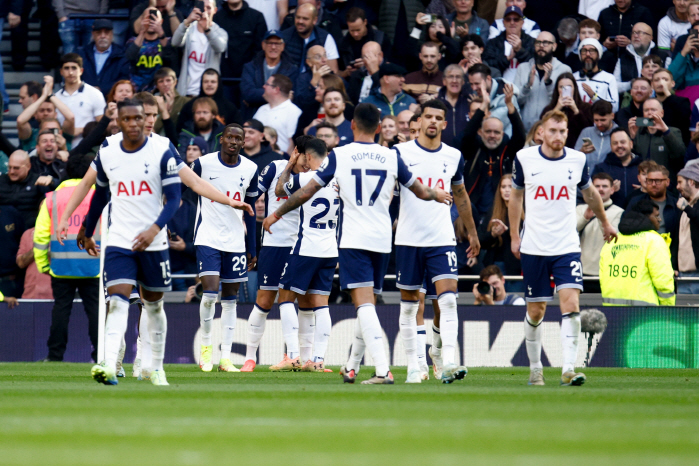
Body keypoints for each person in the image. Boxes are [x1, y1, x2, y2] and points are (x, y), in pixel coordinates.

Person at [262, 103, 452, 385]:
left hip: (353, 239)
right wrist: (438, 194)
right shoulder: (392, 155)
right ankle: (352, 365)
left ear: (351, 125)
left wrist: (276, 213)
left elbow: (308, 190)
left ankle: (382, 370)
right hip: (383, 239)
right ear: (378, 128)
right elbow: (419, 190)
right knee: (368, 304)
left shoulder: (340, 155)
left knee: (363, 305)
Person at [509, 109, 618, 386]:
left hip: (567, 245)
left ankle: (568, 368)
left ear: (567, 133)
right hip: (534, 245)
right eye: (553, 131)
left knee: (571, 304)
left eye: (563, 131)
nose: (558, 136)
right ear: (541, 132)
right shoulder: (524, 158)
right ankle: (535, 369)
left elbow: (589, 193)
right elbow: (515, 199)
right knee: (536, 311)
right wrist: (514, 236)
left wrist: (605, 222)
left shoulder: (577, 159)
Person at [79, 98, 184, 386]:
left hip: (154, 242)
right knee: (117, 301)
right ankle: (110, 364)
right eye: (129, 119)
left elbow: (175, 199)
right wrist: (88, 230)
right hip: (120, 240)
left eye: (140, 118)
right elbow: (100, 195)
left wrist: (154, 228)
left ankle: (157, 366)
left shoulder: (163, 150)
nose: (135, 123)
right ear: (119, 122)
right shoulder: (109, 153)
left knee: (153, 307)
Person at [393, 99, 480, 384]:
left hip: (442, 238)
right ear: (417, 122)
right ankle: (415, 365)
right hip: (408, 238)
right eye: (427, 116)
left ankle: (447, 360)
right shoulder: (399, 153)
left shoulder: (453, 156)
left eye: (437, 117)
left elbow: (461, 195)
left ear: (444, 123)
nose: (432, 121)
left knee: (448, 302)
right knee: (410, 307)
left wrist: (472, 232)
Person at [191, 123, 258, 373]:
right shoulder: (203, 163)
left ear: (243, 143)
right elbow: (185, 186)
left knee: (230, 300)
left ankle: (226, 357)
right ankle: (206, 351)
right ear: (221, 139)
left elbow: (250, 210)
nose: (233, 141)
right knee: (209, 294)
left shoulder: (250, 168)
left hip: (234, 241)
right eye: (229, 136)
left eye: (238, 138)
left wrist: (252, 246)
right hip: (207, 236)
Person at [268, 138, 337, 372]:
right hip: (330, 249)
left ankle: (293, 356)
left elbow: (279, 190)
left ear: (307, 157)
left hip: (307, 246)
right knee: (322, 304)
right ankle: (317, 360)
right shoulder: (339, 180)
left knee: (285, 297)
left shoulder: (305, 178)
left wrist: (289, 165)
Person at [241, 140, 311, 371]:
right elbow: (251, 195)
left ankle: (299, 356)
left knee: (298, 301)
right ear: (296, 154)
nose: (307, 164)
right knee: (264, 300)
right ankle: (250, 357)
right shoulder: (274, 167)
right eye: (304, 158)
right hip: (274, 244)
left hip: (301, 245)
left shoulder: (316, 176)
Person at [33, 154, 100, 362]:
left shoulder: (52, 198)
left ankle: (55, 355)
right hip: (94, 262)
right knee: (95, 311)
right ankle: (101, 355)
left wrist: (43, 264)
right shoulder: (99, 196)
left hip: (61, 264)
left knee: (61, 309)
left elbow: (41, 235)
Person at [462, 81, 525, 217]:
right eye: (488, 131)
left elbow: (520, 136)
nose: (492, 136)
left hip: (502, 212)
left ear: (502, 134)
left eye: (496, 132)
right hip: (473, 212)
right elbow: (467, 134)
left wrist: (510, 106)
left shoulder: (508, 150)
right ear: (481, 132)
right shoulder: (473, 148)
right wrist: (483, 105)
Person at [599, 198, 675, 305]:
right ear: (646, 217)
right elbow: (663, 280)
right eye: (656, 216)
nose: (660, 220)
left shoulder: (612, 241)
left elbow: (603, 277)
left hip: (612, 311)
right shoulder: (654, 241)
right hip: (645, 314)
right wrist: (668, 308)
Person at [514, 31, 572, 130]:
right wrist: (527, 86)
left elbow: (566, 103)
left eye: (545, 43)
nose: (541, 46)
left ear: (554, 46)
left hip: (551, 129)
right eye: (538, 42)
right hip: (526, 131)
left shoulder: (564, 70)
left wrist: (548, 83)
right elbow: (516, 102)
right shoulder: (522, 68)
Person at [576, 173, 625, 292]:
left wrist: (598, 212)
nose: (600, 189)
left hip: (606, 272)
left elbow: (612, 237)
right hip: (581, 270)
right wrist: (585, 218)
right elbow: (569, 232)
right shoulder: (580, 209)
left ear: (612, 190)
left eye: (605, 186)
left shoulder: (620, 212)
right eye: (597, 186)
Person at [214, 0, 267, 103]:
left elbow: (260, 51)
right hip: (223, 80)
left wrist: (251, 76)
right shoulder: (217, 18)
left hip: (249, 82)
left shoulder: (256, 17)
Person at [172, 0, 228, 97]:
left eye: (209, 8)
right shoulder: (189, 29)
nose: (205, 11)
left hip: (209, 92)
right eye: (202, 7)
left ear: (215, 10)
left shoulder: (220, 32)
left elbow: (220, 47)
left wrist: (207, 29)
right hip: (187, 91)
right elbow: (175, 42)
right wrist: (187, 21)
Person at [626, 164, 680, 264]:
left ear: (667, 182)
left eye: (658, 181)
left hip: (667, 258)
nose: (653, 184)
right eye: (650, 181)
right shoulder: (635, 202)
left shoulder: (676, 205)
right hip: (640, 258)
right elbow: (626, 228)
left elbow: (678, 239)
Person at [240, 29, 299, 119]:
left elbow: (292, 97)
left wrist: (258, 95)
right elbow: (248, 94)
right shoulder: (250, 67)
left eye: (277, 43)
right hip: (254, 119)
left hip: (280, 118)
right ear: (263, 45)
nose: (273, 47)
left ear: (283, 46)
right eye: (270, 43)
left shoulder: (292, 70)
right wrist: (279, 95)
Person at [54, 53, 107, 146]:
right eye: (66, 68)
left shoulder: (95, 94)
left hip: (89, 147)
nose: (70, 72)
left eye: (74, 68)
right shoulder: (56, 98)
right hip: (61, 148)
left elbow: (102, 125)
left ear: (81, 71)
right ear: (61, 72)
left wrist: (81, 130)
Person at [478, 174, 523, 281]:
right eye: (503, 187)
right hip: (494, 266)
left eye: (510, 187)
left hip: (516, 267)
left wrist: (508, 231)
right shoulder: (493, 210)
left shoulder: (525, 211)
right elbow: (481, 240)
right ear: (499, 190)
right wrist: (493, 234)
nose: (507, 190)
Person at [628, 98, 685, 182]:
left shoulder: (673, 131)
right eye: (646, 110)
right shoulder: (638, 132)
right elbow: (632, 159)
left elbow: (680, 154)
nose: (650, 113)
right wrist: (632, 137)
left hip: (665, 183)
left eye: (653, 110)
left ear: (662, 113)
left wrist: (665, 131)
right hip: (642, 183)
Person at [16, 76, 76, 153]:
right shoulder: (31, 134)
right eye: (41, 110)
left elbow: (71, 118)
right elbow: (20, 121)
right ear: (35, 114)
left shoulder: (63, 134)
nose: (45, 113)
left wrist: (50, 94)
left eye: (49, 110)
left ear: (55, 114)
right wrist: (43, 96)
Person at [125, 8, 178, 93]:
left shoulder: (167, 41)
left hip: (160, 91)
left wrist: (161, 33)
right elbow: (129, 58)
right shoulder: (133, 41)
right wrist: (142, 31)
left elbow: (172, 62)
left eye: (155, 18)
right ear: (142, 20)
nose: (151, 21)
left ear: (161, 21)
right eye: (148, 18)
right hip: (136, 91)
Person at [176, 69, 244, 134]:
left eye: (213, 82)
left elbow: (237, 132)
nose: (209, 84)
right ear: (201, 83)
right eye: (206, 81)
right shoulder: (190, 106)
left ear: (219, 84)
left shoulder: (229, 108)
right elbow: (181, 130)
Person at [279, 3, 339, 74]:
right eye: (298, 17)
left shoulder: (325, 38)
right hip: (289, 81)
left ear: (315, 20)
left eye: (305, 19)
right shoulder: (284, 36)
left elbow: (333, 71)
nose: (300, 21)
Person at [77, 19, 130, 96]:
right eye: (98, 33)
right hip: (85, 98)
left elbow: (123, 79)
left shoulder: (122, 54)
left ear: (112, 34)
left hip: (111, 99)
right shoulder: (82, 54)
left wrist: (101, 89)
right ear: (93, 34)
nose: (102, 36)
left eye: (106, 32)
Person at [483, 5, 535, 82]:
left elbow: (535, 65)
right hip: (499, 88)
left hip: (525, 88)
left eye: (516, 19)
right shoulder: (493, 43)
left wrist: (520, 50)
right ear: (503, 23)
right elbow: (487, 65)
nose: (512, 22)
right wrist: (507, 58)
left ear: (522, 23)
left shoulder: (531, 41)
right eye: (508, 19)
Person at [592, 127, 642, 207]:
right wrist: (609, 190)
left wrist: (646, 189)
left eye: (622, 142)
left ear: (631, 144)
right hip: (610, 215)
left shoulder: (643, 167)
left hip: (639, 215)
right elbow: (591, 194)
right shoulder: (601, 169)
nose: (619, 146)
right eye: (615, 143)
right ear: (611, 147)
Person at [0, 151, 52, 228]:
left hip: (30, 228)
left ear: (28, 166)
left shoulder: (38, 181)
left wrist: (52, 181)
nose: (11, 171)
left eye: (16, 168)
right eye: (9, 167)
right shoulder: (1, 181)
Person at [467, 63, 521, 137]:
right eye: (471, 84)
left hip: (506, 143)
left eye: (477, 83)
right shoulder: (478, 93)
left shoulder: (506, 95)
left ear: (488, 79)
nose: (473, 88)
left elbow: (486, 124)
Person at [253, 74, 302, 154]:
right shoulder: (261, 109)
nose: (263, 86)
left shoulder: (294, 112)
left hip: (281, 161)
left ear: (276, 89)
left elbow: (293, 143)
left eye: (267, 84)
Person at [613, 23, 669, 93]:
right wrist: (631, 84)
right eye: (633, 33)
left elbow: (670, 82)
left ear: (650, 37)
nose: (635, 36)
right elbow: (614, 86)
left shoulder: (663, 56)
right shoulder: (623, 58)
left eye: (640, 33)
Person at [540, 73, 593, 147]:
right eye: (561, 87)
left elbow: (588, 129)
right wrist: (557, 108)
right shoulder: (549, 109)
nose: (565, 89)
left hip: (578, 149)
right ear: (557, 89)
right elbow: (542, 126)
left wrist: (576, 111)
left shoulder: (585, 107)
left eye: (569, 87)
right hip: (554, 147)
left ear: (574, 88)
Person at [339, 7, 392, 76]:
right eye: (352, 30)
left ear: (365, 22)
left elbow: (390, 65)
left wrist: (368, 65)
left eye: (358, 30)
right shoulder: (343, 43)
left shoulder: (381, 38)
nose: (355, 34)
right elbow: (338, 72)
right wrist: (347, 72)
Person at [575, 100, 618, 171]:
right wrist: (581, 152)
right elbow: (575, 157)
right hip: (587, 178)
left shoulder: (619, 134)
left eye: (603, 120)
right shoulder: (586, 132)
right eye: (596, 120)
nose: (599, 124)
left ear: (612, 116)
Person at [675, 164, 699, 293]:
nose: (677, 187)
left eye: (680, 182)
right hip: (682, 275)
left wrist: (687, 209)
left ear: (691, 182)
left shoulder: (686, 207)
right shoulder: (684, 204)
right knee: (683, 313)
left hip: (697, 274)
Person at [652, 68, 692, 145]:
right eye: (657, 80)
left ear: (673, 84)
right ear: (652, 84)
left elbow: (683, 122)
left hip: (677, 147)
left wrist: (667, 92)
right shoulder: (648, 104)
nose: (661, 83)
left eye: (665, 80)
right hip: (654, 146)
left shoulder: (682, 102)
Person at [437, 64, 471, 147]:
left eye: (458, 77)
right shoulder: (436, 105)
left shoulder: (470, 102)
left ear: (463, 81)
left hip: (466, 154)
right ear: (444, 81)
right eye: (451, 76)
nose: (454, 80)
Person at [16, 226, 53, 300]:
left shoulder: (62, 232)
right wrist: (38, 247)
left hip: (54, 293)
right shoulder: (28, 234)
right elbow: (20, 263)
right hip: (31, 293)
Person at [153, 67, 191, 134]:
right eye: (161, 81)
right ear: (156, 85)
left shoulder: (185, 102)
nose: (165, 84)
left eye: (168, 80)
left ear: (175, 82)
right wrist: (165, 111)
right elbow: (152, 129)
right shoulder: (151, 102)